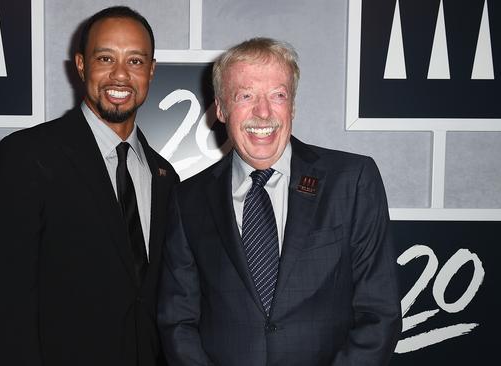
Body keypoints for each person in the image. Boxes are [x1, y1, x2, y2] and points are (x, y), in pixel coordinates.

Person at [157, 37, 401, 366]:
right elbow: (178, 321)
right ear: (221, 108)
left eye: (278, 95)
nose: (263, 112)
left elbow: (379, 314)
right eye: (246, 96)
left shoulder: (352, 181)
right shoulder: (189, 199)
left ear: (293, 106)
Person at [0, 6, 178, 366]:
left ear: (151, 70)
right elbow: (6, 304)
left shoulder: (165, 175)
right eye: (106, 58)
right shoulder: (27, 157)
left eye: (135, 61)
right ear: (81, 64)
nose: (120, 75)